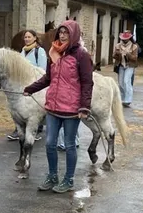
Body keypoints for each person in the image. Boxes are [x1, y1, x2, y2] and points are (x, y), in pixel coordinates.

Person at [23, 20, 93, 193]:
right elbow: (48, 78)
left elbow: (87, 82)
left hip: (71, 108)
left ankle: (68, 180)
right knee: (49, 143)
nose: (62, 35)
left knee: (69, 145)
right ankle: (52, 176)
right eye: (60, 32)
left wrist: (84, 106)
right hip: (53, 106)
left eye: (66, 33)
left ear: (73, 34)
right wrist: (30, 89)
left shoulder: (81, 55)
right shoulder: (53, 52)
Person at [6, 30, 47, 142]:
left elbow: (43, 69)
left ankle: (36, 129)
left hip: (36, 84)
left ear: (35, 38)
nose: (27, 39)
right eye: (25, 37)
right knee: (19, 108)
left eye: (29, 37)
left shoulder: (40, 51)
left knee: (34, 109)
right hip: (23, 84)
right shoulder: (23, 51)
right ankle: (18, 129)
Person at [113, 31, 139, 107]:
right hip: (121, 65)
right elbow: (114, 56)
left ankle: (128, 100)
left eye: (125, 39)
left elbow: (135, 58)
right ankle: (123, 99)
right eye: (123, 39)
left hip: (130, 66)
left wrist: (128, 54)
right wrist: (117, 54)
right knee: (121, 83)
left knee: (126, 81)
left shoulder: (134, 46)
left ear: (129, 39)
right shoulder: (118, 46)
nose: (124, 40)